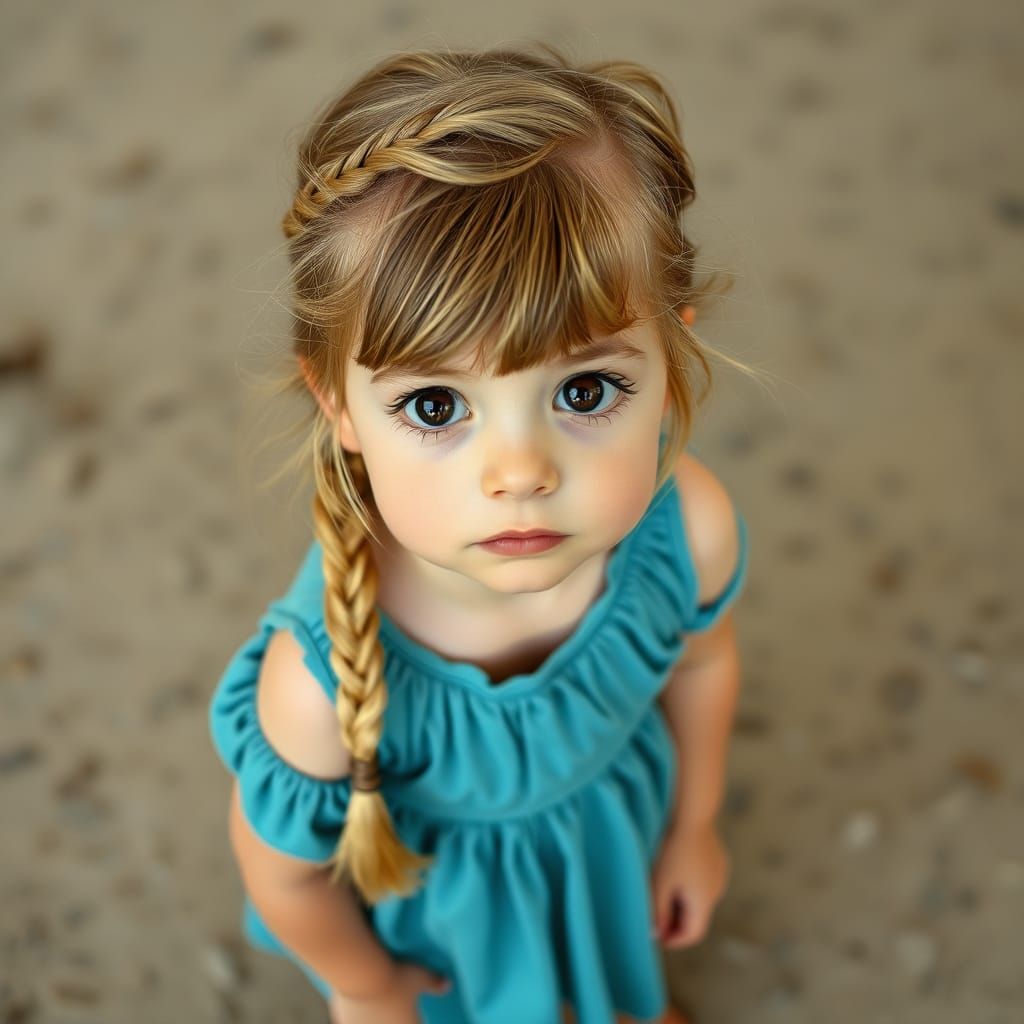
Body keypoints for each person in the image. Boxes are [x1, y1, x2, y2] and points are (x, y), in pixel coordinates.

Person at [209, 43, 756, 1024]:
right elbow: (285, 878)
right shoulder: (324, 682)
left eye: (584, 390)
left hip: (601, 863)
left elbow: (703, 664)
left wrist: (694, 827)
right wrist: (366, 986)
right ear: (338, 405)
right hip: (446, 947)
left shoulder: (690, 530)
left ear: (667, 363)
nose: (519, 473)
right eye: (433, 407)